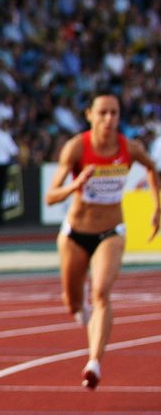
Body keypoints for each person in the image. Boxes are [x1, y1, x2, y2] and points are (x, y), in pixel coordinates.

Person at [45, 93, 160, 388]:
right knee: (72, 301)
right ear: (90, 115)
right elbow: (50, 196)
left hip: (111, 231)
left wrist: (157, 206)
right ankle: (79, 310)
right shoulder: (76, 148)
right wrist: (77, 184)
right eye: (103, 113)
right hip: (75, 233)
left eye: (115, 113)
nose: (110, 119)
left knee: (101, 292)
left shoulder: (129, 148)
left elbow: (152, 169)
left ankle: (94, 362)